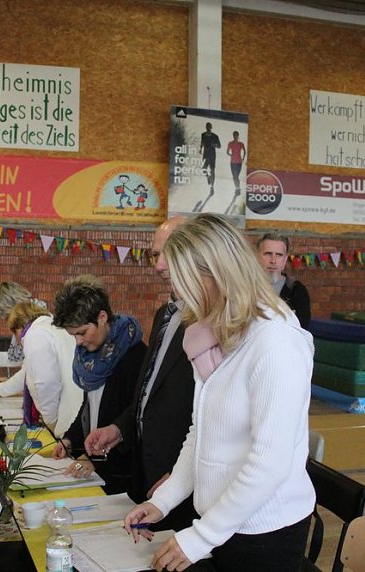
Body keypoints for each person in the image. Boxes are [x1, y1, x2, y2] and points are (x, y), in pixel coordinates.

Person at [124, 214, 315, 572]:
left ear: (214, 273)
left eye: (182, 281)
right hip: (220, 521)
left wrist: (199, 537)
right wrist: (163, 501)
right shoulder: (216, 336)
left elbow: (268, 463)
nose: (177, 293)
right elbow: (202, 432)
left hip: (264, 533)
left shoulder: (275, 342)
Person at [84, 216, 199, 531]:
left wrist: (185, 474)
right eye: (155, 254)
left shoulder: (211, 319)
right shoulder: (166, 314)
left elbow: (213, 412)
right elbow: (148, 391)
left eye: (167, 254)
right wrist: (119, 429)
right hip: (147, 468)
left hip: (180, 475)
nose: (159, 266)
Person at [51, 277, 147, 495]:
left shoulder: (135, 355)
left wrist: (97, 462)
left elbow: (134, 418)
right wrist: (69, 440)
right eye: (72, 335)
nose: (77, 342)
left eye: (82, 332)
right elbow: (89, 406)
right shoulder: (90, 358)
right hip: (96, 466)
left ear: (102, 317)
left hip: (122, 476)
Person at [5, 301, 82, 438]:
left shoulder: (35, 334)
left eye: (14, 334)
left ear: (19, 326)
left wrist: (50, 421)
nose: (17, 341)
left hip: (66, 420)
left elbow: (46, 383)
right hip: (77, 414)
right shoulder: (53, 327)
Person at [0, 281, 45, 395]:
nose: (7, 323)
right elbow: (20, 357)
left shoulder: (36, 329)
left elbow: (27, 372)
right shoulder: (35, 321)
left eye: (6, 317)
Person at [256, 231, 311, 330]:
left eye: (279, 255)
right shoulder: (245, 287)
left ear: (285, 259)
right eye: (268, 254)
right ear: (256, 257)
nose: (273, 260)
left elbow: (302, 329)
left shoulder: (297, 291)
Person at [200, 122, 221, 191]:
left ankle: (212, 187)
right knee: (203, 169)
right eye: (207, 127)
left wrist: (214, 145)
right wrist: (200, 149)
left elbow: (219, 146)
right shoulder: (203, 135)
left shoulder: (215, 136)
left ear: (211, 127)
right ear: (205, 127)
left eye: (209, 127)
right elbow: (202, 142)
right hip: (205, 154)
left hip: (212, 155)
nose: (208, 128)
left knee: (212, 171)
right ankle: (208, 177)